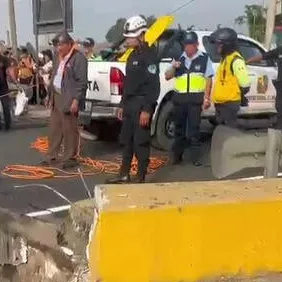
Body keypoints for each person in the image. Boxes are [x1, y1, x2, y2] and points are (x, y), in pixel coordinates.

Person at [107, 15, 160, 184]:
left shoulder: (150, 55)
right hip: (129, 104)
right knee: (127, 140)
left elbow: (153, 86)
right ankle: (124, 174)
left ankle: (141, 176)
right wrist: (122, 104)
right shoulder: (131, 56)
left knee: (140, 142)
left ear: (141, 35)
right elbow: (128, 82)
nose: (127, 40)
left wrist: (147, 109)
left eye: (130, 37)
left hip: (142, 104)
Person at [164, 31, 214, 166]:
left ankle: (195, 158)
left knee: (194, 130)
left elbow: (209, 79)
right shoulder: (179, 59)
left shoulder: (204, 58)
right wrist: (174, 68)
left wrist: (207, 98)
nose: (187, 48)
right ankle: (177, 156)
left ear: (196, 45)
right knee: (179, 130)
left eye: (190, 45)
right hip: (179, 100)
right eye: (185, 45)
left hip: (195, 101)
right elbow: (167, 76)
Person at [42, 32, 88, 169]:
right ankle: (52, 156)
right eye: (56, 45)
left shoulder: (78, 58)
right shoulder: (58, 57)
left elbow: (82, 82)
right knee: (54, 128)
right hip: (57, 95)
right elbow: (54, 75)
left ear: (69, 44)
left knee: (69, 129)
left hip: (70, 97)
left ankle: (70, 157)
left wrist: (76, 100)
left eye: (61, 45)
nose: (58, 48)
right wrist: (49, 95)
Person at [209, 28, 251, 128]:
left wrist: (235, 95)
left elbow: (245, 85)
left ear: (227, 45)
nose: (217, 47)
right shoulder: (225, 58)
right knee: (220, 132)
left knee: (228, 132)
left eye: (219, 45)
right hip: (221, 104)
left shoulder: (236, 60)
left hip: (229, 105)